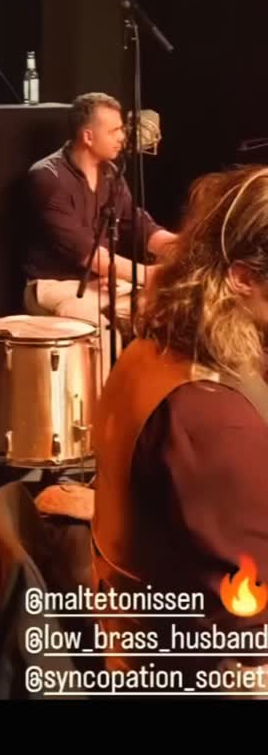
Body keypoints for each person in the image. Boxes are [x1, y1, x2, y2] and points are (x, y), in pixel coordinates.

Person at [91, 166, 268, 694]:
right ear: (243, 278)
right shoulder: (209, 413)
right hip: (209, 666)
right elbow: (250, 609)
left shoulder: (159, 348)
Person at [22, 92, 177, 371]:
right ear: (88, 136)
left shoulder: (111, 173)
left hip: (102, 281)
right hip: (53, 285)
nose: (122, 137)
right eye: (114, 130)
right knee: (103, 335)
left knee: (167, 311)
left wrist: (183, 247)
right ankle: (103, 398)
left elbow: (136, 225)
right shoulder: (47, 177)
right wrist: (149, 275)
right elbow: (89, 255)